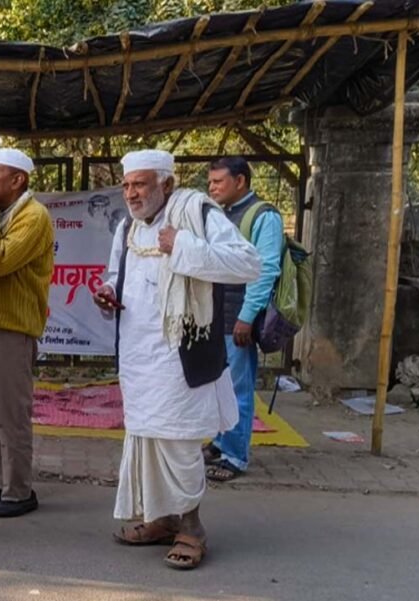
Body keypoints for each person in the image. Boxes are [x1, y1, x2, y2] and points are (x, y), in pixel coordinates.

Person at [92, 149, 258, 570]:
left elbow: (247, 263)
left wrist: (182, 245)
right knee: (146, 439)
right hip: (138, 355)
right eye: (127, 185)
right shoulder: (127, 226)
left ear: (167, 184)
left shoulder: (196, 213)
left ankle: (192, 528)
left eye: (141, 184)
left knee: (179, 442)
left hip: (180, 355)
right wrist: (109, 293)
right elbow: (118, 274)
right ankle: (162, 520)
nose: (131, 194)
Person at [0, 148, 54, 518]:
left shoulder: (34, 216)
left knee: (12, 413)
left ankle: (20, 490)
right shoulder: (7, 212)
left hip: (14, 330)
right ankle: (5, 478)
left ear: (18, 179)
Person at [205, 157, 284, 482]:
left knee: (238, 387)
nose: (212, 188)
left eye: (218, 182)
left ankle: (235, 456)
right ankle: (222, 442)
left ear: (240, 181)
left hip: (239, 317)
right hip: (218, 315)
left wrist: (247, 317)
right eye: (210, 183)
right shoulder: (223, 215)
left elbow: (265, 270)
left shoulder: (264, 216)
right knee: (218, 386)